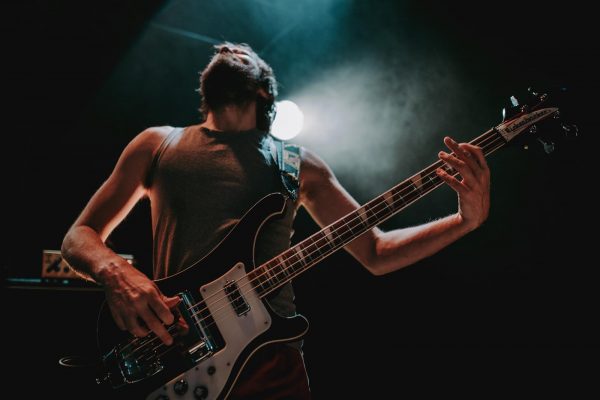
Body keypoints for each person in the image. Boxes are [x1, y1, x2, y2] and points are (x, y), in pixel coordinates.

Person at [61, 42, 490, 399]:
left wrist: (463, 221)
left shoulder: (297, 164)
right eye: (222, 49)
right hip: (177, 355)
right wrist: (115, 271)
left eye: (243, 52)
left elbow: (376, 251)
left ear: (265, 91)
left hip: (269, 365)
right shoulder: (157, 144)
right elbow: (78, 236)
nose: (228, 48)